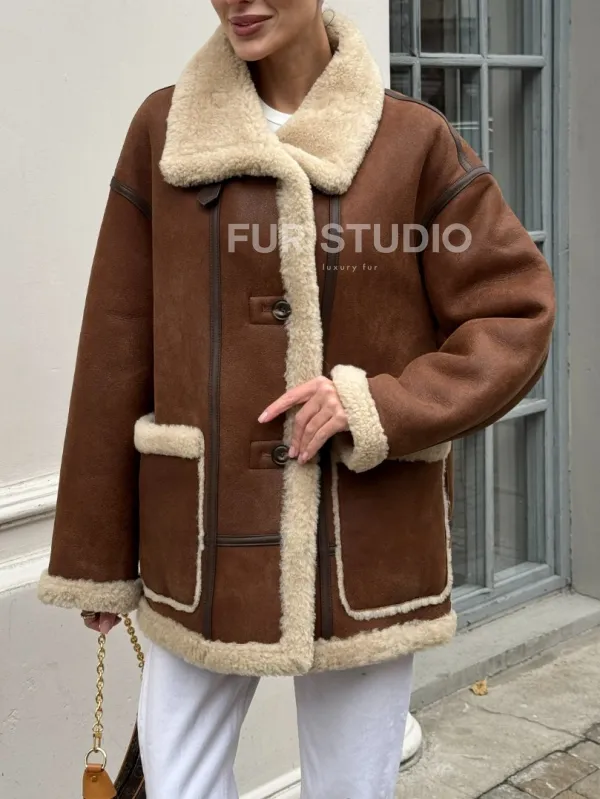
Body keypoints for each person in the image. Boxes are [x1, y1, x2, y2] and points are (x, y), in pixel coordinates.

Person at [37, 1, 556, 797]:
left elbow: (513, 312)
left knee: (353, 786)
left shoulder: (411, 139)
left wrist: (378, 405)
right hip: (200, 537)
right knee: (176, 782)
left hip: (366, 537)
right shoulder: (165, 130)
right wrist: (96, 557)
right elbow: (116, 340)